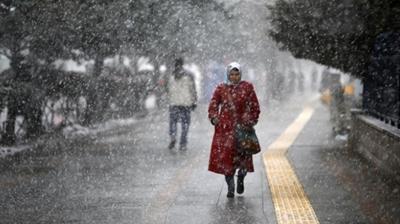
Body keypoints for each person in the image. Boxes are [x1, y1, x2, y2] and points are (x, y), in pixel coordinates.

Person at [208, 62, 261, 198]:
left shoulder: (247, 88)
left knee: (243, 159)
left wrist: (251, 120)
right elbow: (213, 105)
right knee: (227, 160)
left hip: (243, 129)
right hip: (225, 130)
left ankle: (241, 178)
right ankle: (230, 186)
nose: (234, 77)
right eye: (232, 74)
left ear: (240, 74)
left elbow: (255, 106)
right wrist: (214, 118)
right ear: (228, 74)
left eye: (237, 74)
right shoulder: (221, 89)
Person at [167, 57, 198, 151]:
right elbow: (193, 90)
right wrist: (194, 101)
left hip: (174, 102)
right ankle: (183, 142)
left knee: (173, 122)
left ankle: (173, 136)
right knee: (185, 123)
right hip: (186, 102)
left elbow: (168, 89)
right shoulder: (189, 75)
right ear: (183, 63)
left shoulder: (171, 75)